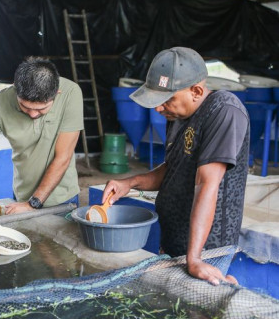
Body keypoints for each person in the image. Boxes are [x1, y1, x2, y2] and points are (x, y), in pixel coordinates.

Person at [102, 47, 249, 285]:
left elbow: (206, 183)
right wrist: (129, 183)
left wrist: (195, 259)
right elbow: (173, 169)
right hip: (176, 242)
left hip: (207, 250)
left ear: (196, 91)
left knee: (198, 315)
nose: (158, 109)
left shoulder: (224, 111)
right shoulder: (178, 116)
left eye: (166, 100)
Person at [0, 58, 83, 226]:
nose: (33, 114)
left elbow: (63, 157)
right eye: (25, 107)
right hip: (22, 198)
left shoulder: (71, 93)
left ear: (56, 92)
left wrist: (33, 204)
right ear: (15, 89)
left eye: (41, 109)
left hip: (63, 199)